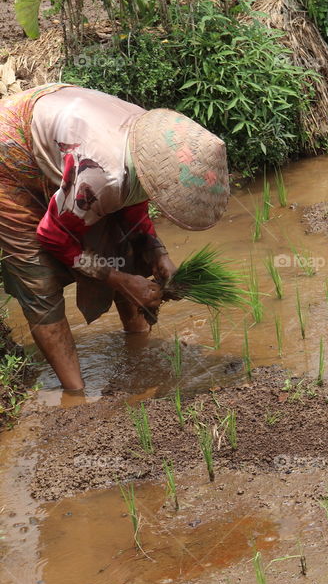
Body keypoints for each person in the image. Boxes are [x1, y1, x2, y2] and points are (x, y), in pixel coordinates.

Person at [0, 83, 230, 391]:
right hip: (10, 151)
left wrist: (157, 254)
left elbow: (133, 208)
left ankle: (137, 348)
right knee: (37, 278)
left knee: (124, 246)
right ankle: (76, 396)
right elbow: (53, 237)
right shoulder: (103, 175)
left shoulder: (152, 149)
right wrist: (119, 279)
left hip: (67, 137)